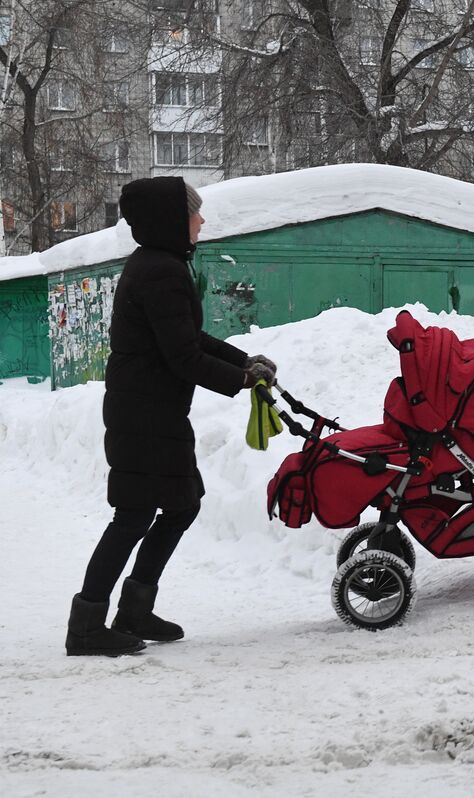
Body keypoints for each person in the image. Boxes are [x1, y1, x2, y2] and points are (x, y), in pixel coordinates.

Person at [65, 177, 279, 657]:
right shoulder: (160, 271)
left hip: (149, 411)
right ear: (171, 220)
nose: (201, 221)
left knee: (180, 505)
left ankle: (134, 610)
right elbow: (183, 357)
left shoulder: (159, 266)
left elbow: (188, 337)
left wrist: (244, 362)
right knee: (135, 515)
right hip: (145, 414)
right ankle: (86, 626)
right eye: (194, 213)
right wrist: (242, 381)